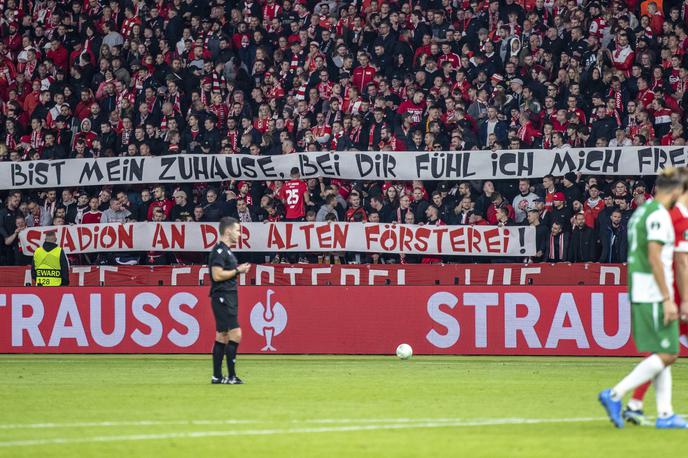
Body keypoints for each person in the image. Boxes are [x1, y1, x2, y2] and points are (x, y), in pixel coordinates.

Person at [598, 167, 687, 429]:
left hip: (641, 287)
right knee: (669, 353)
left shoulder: (640, 213)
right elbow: (655, 257)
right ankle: (615, 394)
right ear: (676, 190)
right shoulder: (660, 215)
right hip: (653, 291)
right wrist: (668, 297)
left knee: (663, 350)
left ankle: (663, 413)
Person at [208, 217, 251, 385]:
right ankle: (231, 376)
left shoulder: (226, 251)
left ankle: (217, 376)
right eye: (238, 230)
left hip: (226, 296)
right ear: (227, 231)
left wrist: (238, 271)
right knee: (236, 334)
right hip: (222, 296)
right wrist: (238, 270)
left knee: (222, 336)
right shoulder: (219, 251)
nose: (240, 234)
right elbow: (217, 275)